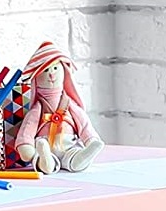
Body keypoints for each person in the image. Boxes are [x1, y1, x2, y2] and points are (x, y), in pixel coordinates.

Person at [15, 41, 104, 174]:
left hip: (68, 145)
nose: (51, 74)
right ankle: (46, 160)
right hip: (45, 144)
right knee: (41, 156)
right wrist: (26, 145)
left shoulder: (69, 103)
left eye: (55, 68)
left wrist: (90, 139)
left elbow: (83, 122)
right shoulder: (38, 108)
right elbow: (28, 127)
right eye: (45, 70)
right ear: (36, 78)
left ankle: (81, 158)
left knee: (73, 154)